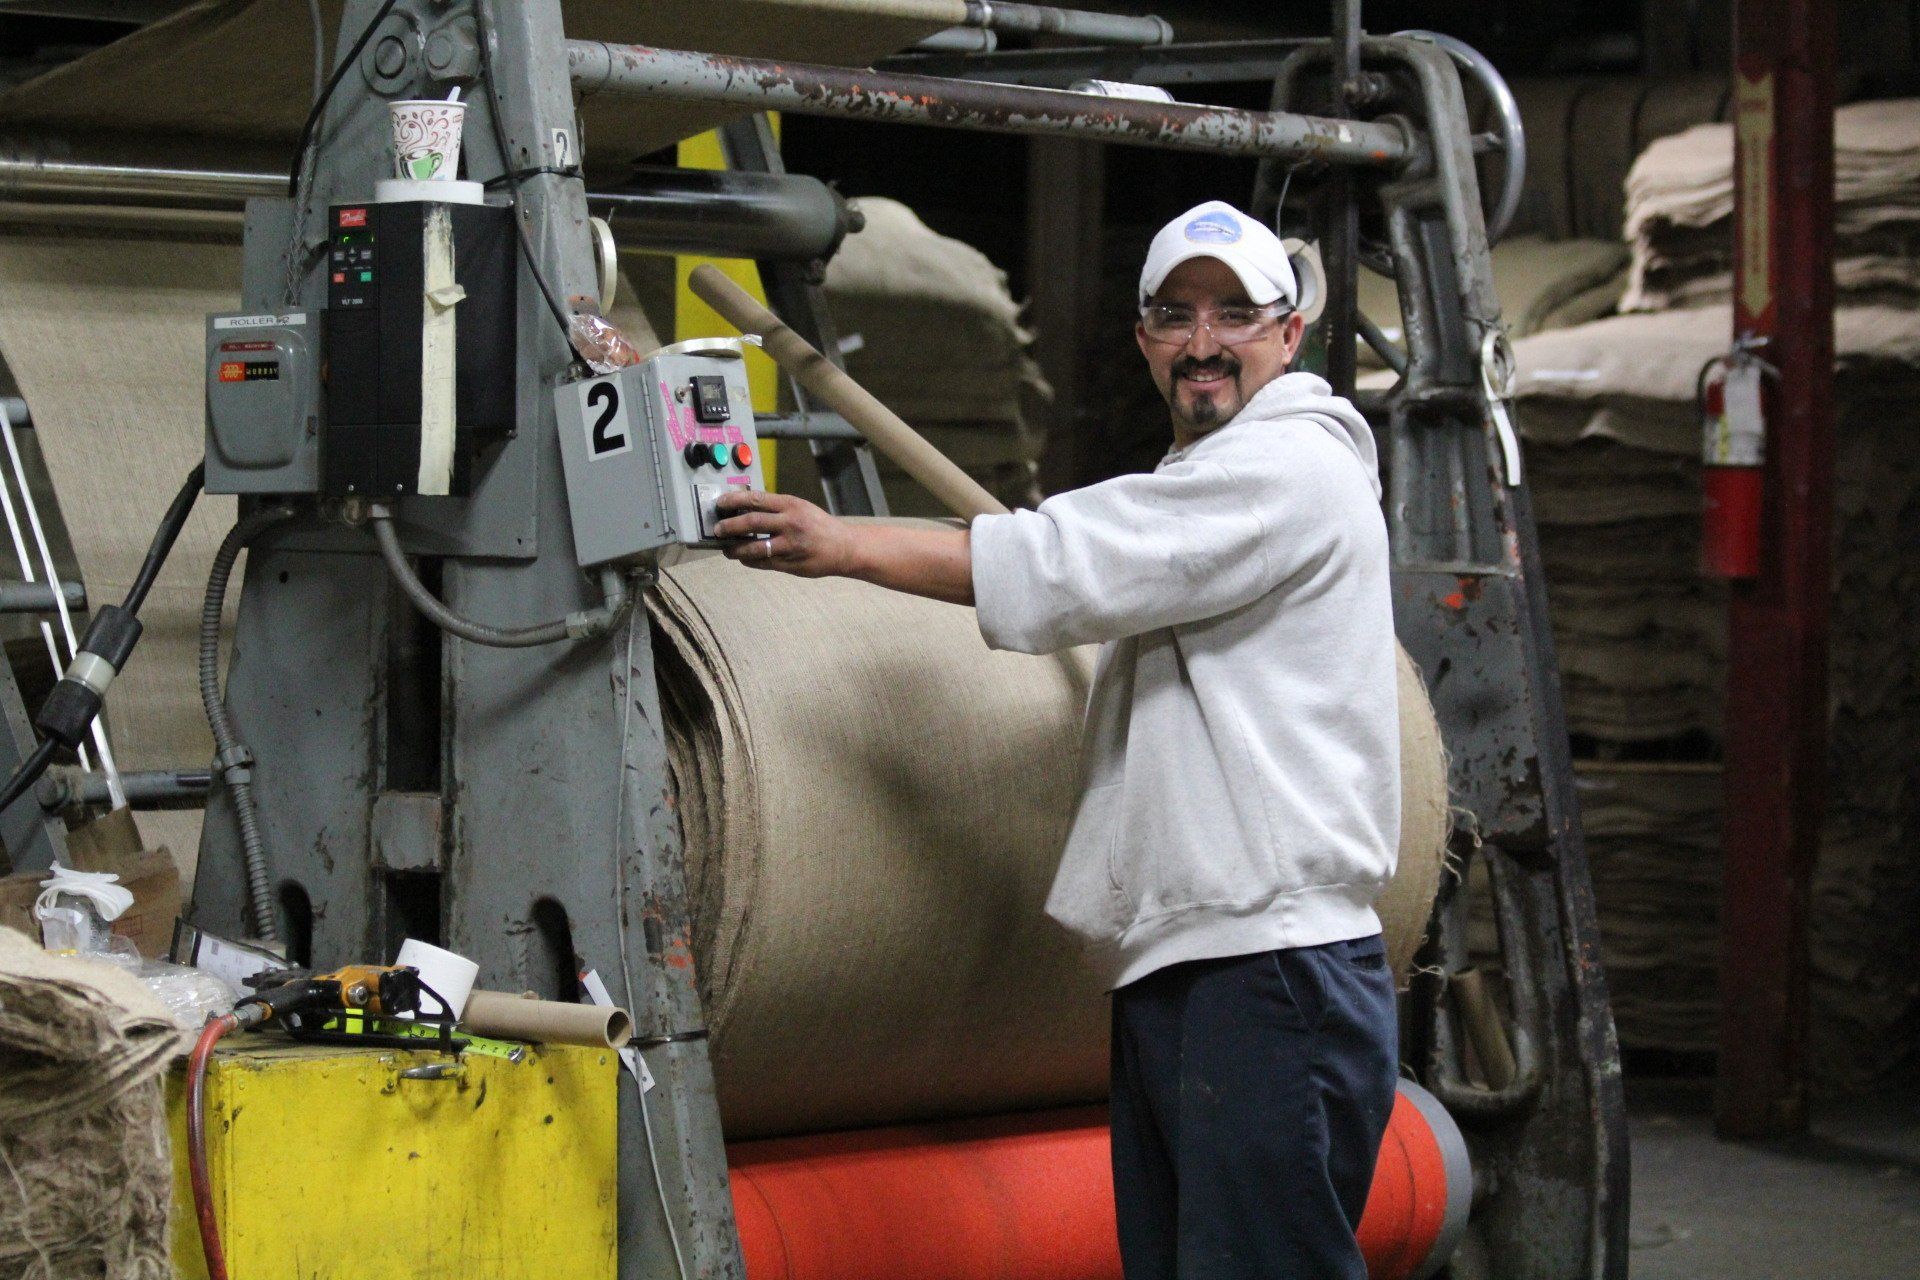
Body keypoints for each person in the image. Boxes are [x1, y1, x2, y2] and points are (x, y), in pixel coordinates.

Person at [711, 199, 1401, 1280]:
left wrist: (843, 542)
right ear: (1143, 339)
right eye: (1175, 315)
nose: (1204, 341)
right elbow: (1097, 553)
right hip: (1196, 966)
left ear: (1290, 332)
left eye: (1234, 314)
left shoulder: (1293, 469)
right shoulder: (1207, 487)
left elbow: (1072, 558)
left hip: (1268, 970)